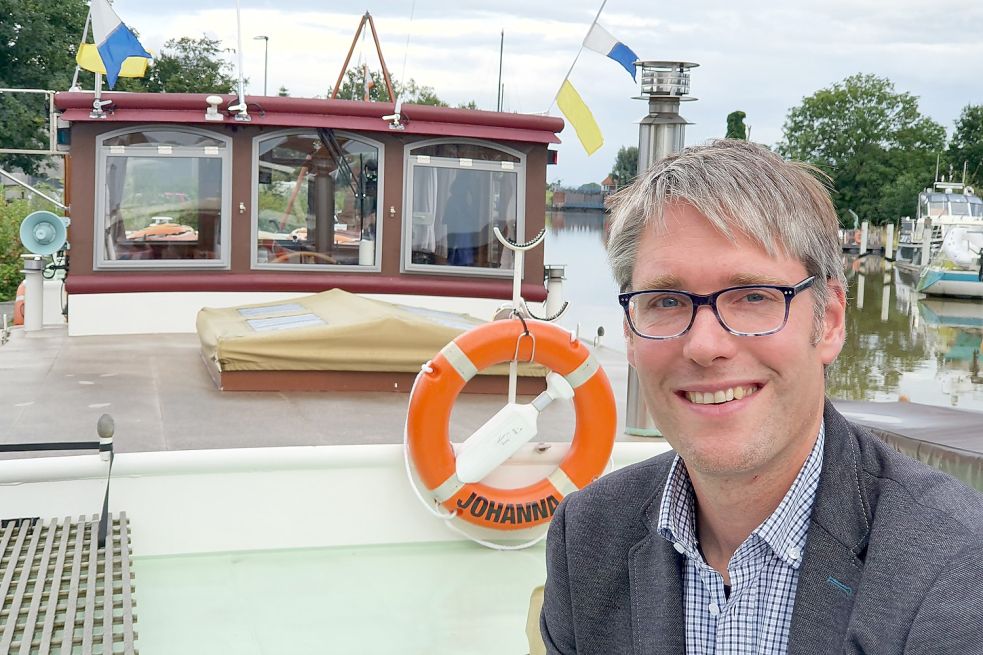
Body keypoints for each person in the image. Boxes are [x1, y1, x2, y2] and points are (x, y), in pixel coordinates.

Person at [540, 140, 983, 654]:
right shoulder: (589, 538)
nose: (705, 346)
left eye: (753, 296)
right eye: (665, 300)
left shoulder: (954, 568)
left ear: (830, 321)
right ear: (631, 335)